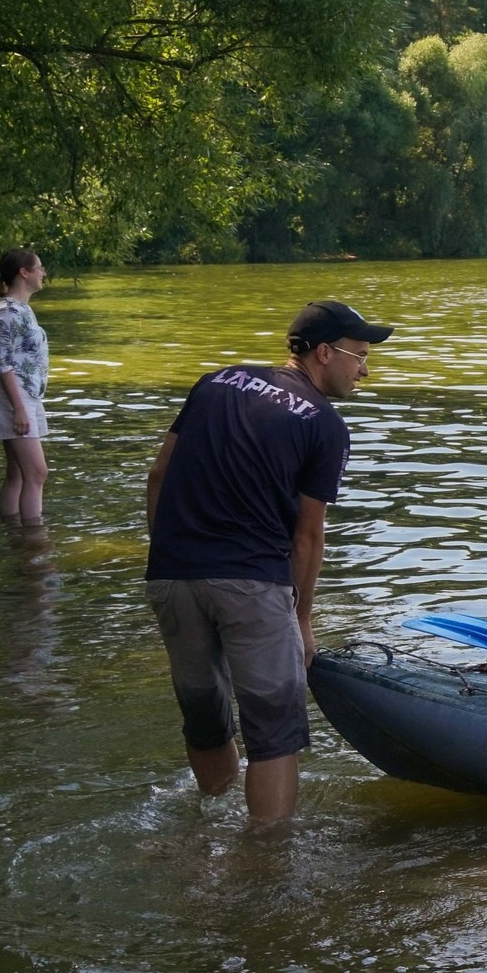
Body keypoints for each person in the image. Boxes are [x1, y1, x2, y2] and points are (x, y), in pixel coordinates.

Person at [144, 299, 388, 822]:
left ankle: (207, 829)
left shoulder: (215, 383)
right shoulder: (325, 425)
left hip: (173, 576)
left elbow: (158, 476)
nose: (365, 370)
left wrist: (165, 555)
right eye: (359, 356)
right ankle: (265, 869)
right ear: (324, 352)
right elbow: (307, 535)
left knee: (205, 718)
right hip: (253, 584)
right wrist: (301, 621)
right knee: (273, 732)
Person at [0, 249, 50, 524]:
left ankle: (13, 536)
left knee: (19, 473)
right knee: (36, 472)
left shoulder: (21, 309)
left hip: (24, 395)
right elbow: (3, 364)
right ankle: (34, 541)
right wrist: (20, 409)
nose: (43, 272)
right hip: (13, 397)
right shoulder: (7, 313)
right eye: (40, 267)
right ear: (24, 272)